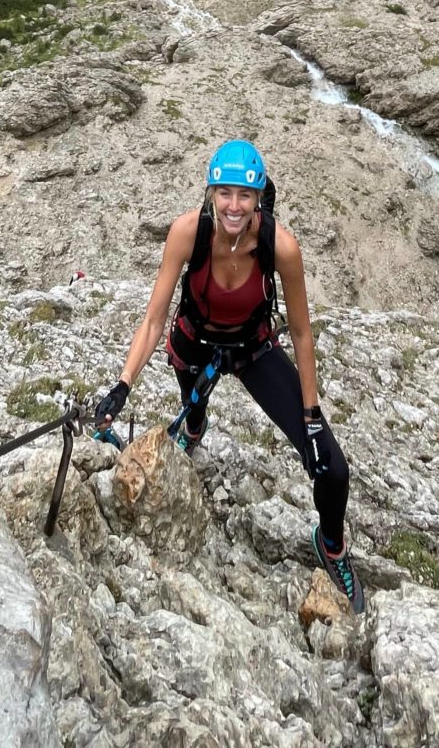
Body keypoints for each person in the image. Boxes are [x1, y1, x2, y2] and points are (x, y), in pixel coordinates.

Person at [93, 138, 364, 612]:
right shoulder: (186, 233)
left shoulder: (280, 247)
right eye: (225, 193)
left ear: (259, 197)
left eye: (244, 195)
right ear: (210, 194)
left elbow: (301, 334)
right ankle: (195, 424)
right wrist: (123, 384)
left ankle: (332, 545)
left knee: (332, 469)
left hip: (253, 347)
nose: (234, 206)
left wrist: (313, 415)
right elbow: (155, 319)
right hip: (193, 340)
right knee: (192, 406)